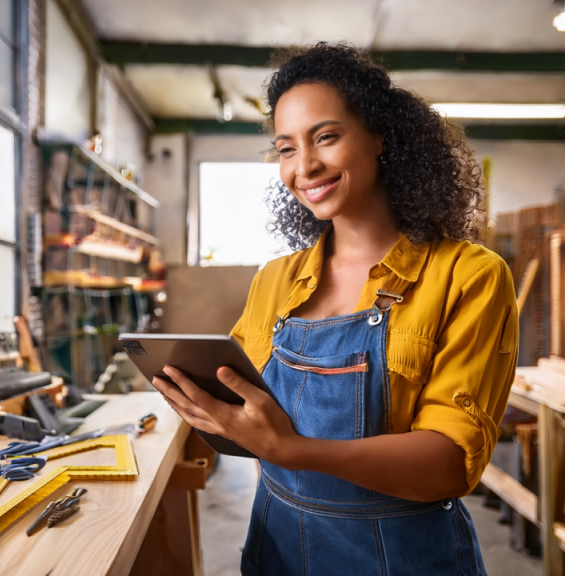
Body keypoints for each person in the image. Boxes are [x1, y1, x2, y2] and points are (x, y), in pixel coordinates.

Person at [151, 43, 518, 575]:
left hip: (404, 560)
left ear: (380, 136)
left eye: (325, 136)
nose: (306, 166)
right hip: (277, 545)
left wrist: (293, 449)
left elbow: (448, 464)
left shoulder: (468, 276)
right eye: (286, 148)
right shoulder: (275, 280)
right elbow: (244, 411)